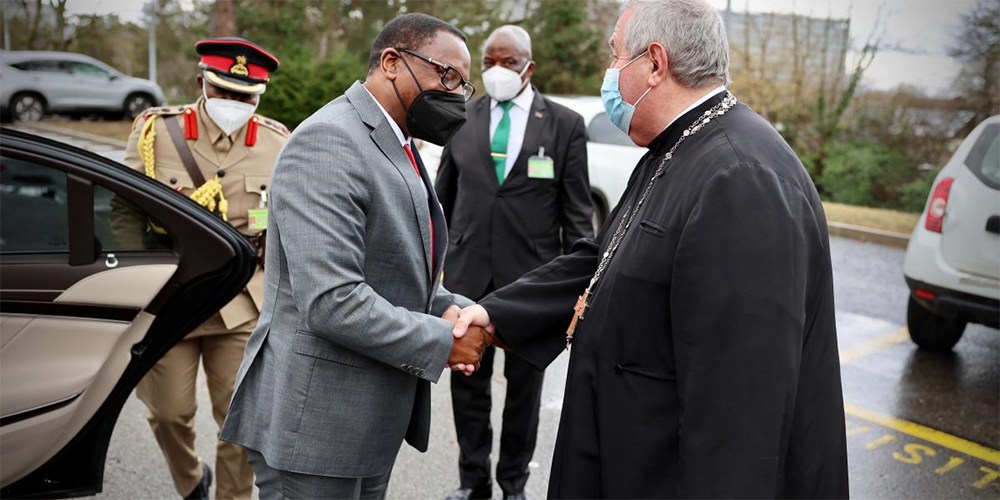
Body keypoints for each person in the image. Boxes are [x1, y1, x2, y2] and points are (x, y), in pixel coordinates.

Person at [452, 0, 849, 498]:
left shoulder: (741, 177)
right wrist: (494, 315)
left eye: (616, 57)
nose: (609, 73)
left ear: (655, 64)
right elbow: (602, 261)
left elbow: (740, 413)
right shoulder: (677, 146)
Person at [219, 13, 497, 500]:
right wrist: (441, 340)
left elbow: (393, 265)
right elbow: (333, 300)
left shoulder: (396, 139)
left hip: (362, 424)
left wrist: (447, 308)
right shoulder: (330, 140)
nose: (455, 94)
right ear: (392, 62)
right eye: (446, 75)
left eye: (462, 84)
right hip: (315, 429)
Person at [114, 37, 287, 500]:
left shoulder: (277, 141)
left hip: (244, 300)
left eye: (246, 97)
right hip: (174, 295)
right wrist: (137, 283)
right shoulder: (156, 132)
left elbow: (286, 226)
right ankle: (191, 483)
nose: (235, 104)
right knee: (168, 412)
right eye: (224, 92)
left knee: (241, 418)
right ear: (201, 84)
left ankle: (233, 497)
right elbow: (125, 211)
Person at [435, 25, 593, 500]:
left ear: (530, 66)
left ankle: (514, 484)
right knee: (467, 385)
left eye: (507, 62)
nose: (496, 71)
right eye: (489, 62)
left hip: (532, 282)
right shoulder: (461, 115)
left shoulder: (564, 124)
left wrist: (580, 283)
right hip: (469, 277)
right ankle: (472, 482)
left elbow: (578, 214)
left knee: (523, 394)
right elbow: (441, 201)